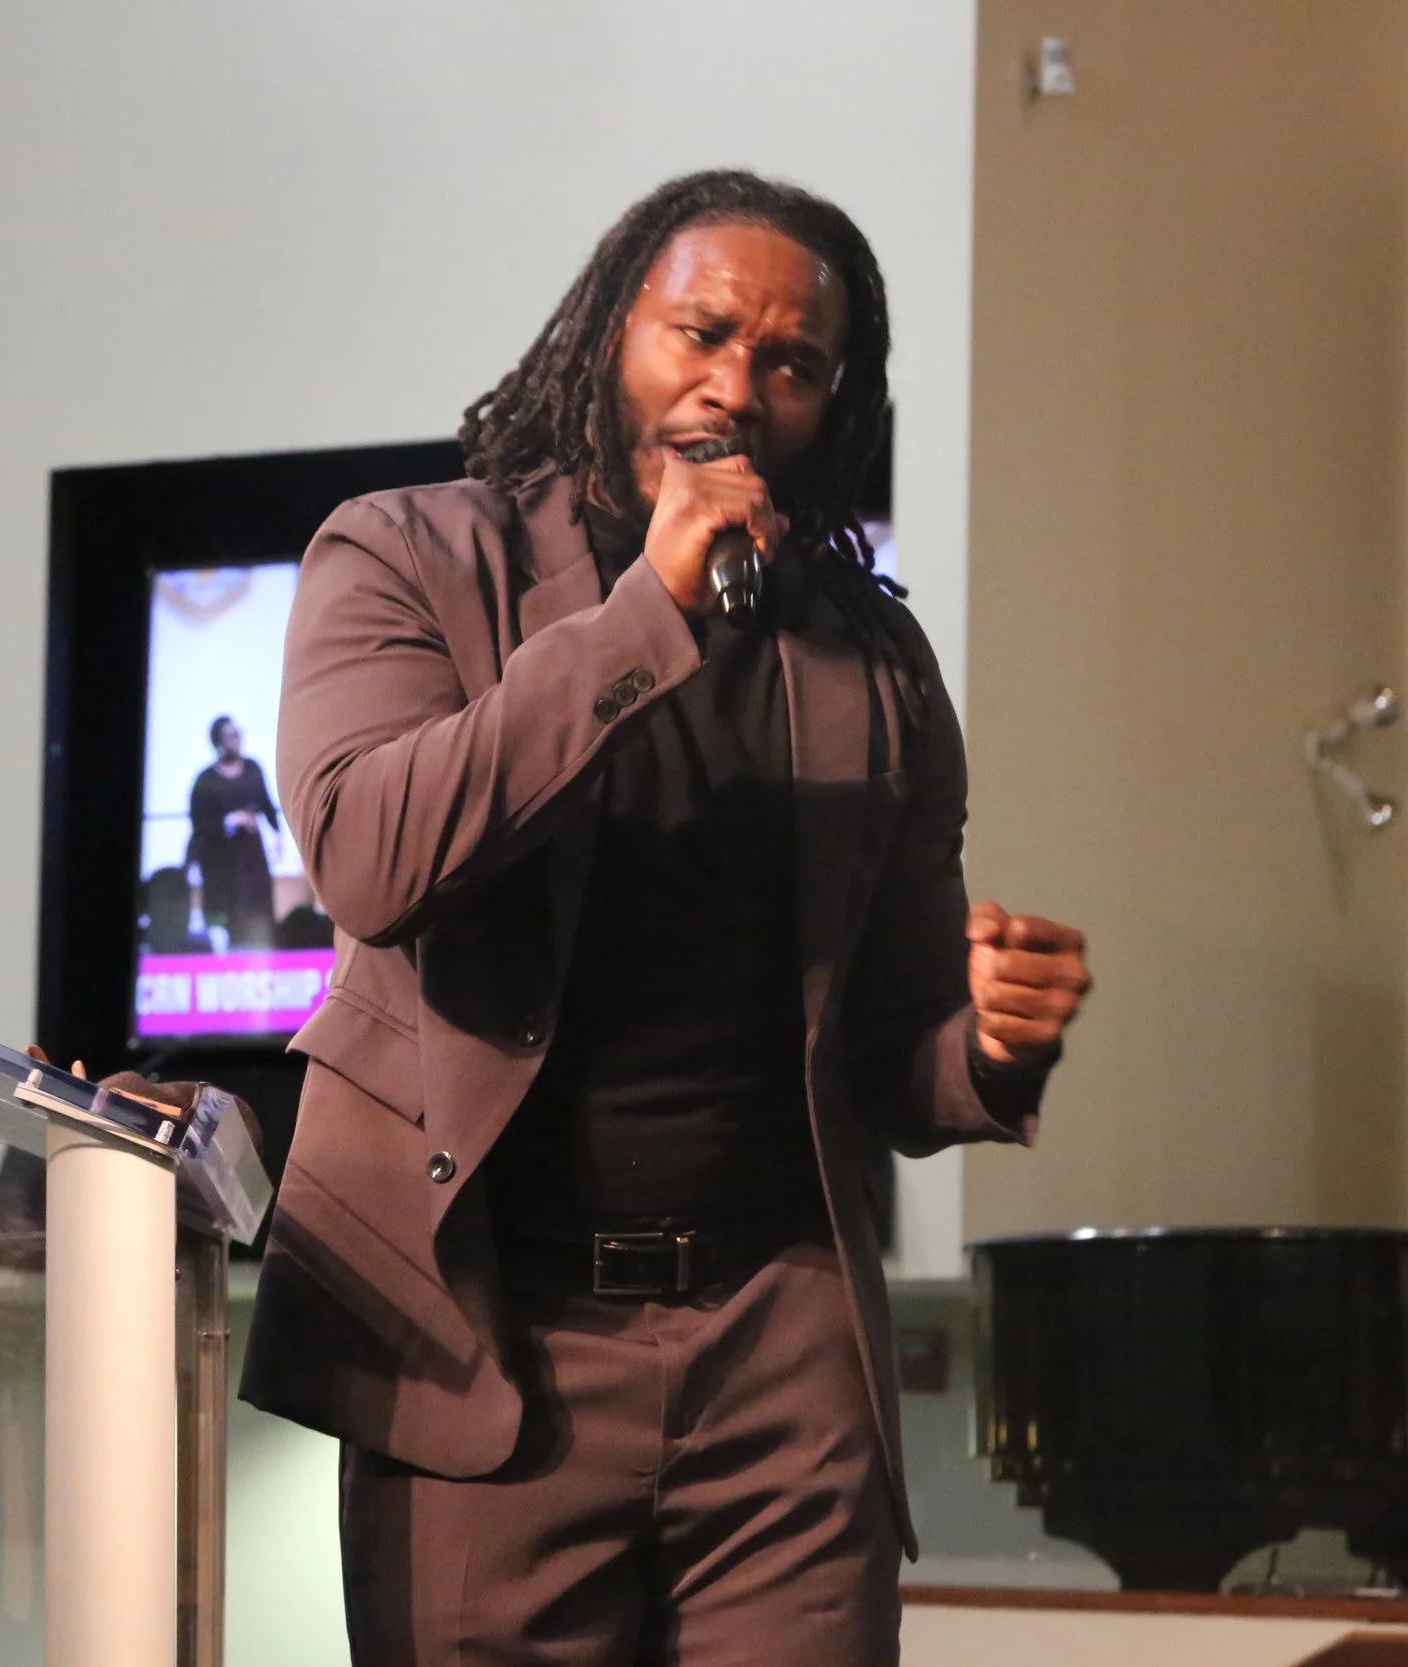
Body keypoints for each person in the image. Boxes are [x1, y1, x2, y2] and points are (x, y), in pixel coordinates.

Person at [239, 171, 1092, 1666]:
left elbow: (898, 1058)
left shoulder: (873, 663)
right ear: (604, 332)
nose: (736, 387)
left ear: (836, 402)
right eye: (700, 334)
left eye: (793, 363)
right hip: (483, 1343)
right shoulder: (407, 557)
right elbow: (373, 856)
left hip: (778, 1362)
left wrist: (996, 1042)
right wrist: (651, 618)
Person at [186, 715, 281, 949]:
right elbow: (199, 824)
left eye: (238, 734)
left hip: (253, 862)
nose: (236, 740)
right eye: (230, 736)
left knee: (258, 920)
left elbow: (267, 804)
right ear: (218, 741)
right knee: (227, 924)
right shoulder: (205, 781)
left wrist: (278, 835)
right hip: (221, 865)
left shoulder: (252, 769)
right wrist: (230, 820)